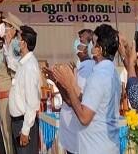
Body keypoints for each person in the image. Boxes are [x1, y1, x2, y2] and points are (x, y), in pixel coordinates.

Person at [51, 24, 121, 154]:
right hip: (104, 145)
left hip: (95, 147)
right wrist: (69, 84)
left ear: (99, 50)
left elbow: (84, 118)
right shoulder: (111, 71)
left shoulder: (99, 76)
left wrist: (70, 86)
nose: (90, 47)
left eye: (93, 43)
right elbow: (90, 102)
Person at [57, 30, 95, 154]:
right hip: (72, 133)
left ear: (89, 47)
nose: (77, 43)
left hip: (78, 134)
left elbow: (74, 100)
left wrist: (60, 83)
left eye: (81, 41)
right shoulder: (81, 66)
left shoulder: (88, 69)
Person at [8, 25, 40, 154]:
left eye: (18, 38)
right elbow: (11, 62)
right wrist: (8, 43)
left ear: (24, 43)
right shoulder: (23, 63)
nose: (16, 41)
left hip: (24, 123)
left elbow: (32, 102)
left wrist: (26, 130)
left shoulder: (30, 66)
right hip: (18, 122)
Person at [0, 13, 22, 153]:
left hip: (8, 93)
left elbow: (16, 67)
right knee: (5, 130)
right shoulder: (7, 45)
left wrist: (7, 47)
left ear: (12, 29)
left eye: (6, 26)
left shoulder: (15, 45)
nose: (3, 28)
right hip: (3, 93)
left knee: (8, 131)